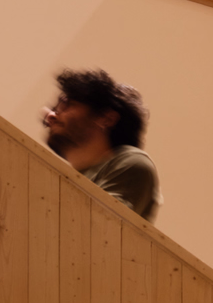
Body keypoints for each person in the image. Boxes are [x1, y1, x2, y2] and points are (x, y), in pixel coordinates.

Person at [42, 68, 159, 223]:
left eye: (67, 105)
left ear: (106, 118)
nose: (49, 116)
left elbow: (97, 228)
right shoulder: (66, 180)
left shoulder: (131, 162)